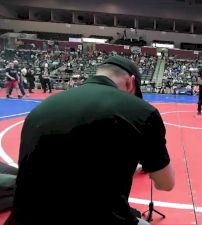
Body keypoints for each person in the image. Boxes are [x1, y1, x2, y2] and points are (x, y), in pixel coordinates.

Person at [5, 55, 175, 225]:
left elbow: (74, 164)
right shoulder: (141, 111)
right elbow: (165, 183)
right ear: (130, 83)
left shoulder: (43, 107)